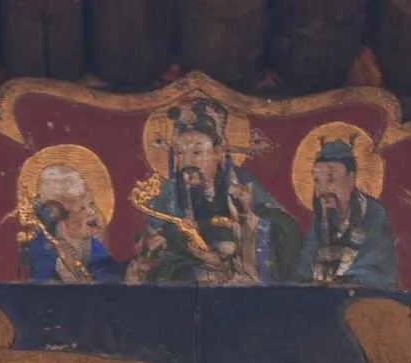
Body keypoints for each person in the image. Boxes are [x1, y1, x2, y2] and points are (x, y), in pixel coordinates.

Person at [127, 99, 296, 285]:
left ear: (218, 152)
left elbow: (283, 228)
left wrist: (247, 216)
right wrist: (161, 241)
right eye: (180, 153)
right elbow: (156, 241)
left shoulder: (242, 182)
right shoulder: (169, 191)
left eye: (197, 153)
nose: (187, 162)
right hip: (188, 272)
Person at [296, 138, 397, 286]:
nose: (322, 189)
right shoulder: (321, 218)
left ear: (351, 179)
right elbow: (302, 269)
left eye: (330, 180)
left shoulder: (373, 214)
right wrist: (317, 266)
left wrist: (342, 262)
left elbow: (381, 272)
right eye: (317, 180)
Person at [22, 161, 121, 282]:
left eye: (91, 203)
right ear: (59, 216)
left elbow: (110, 282)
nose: (92, 212)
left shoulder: (94, 248)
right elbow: (37, 288)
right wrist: (66, 269)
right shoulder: (43, 251)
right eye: (81, 209)